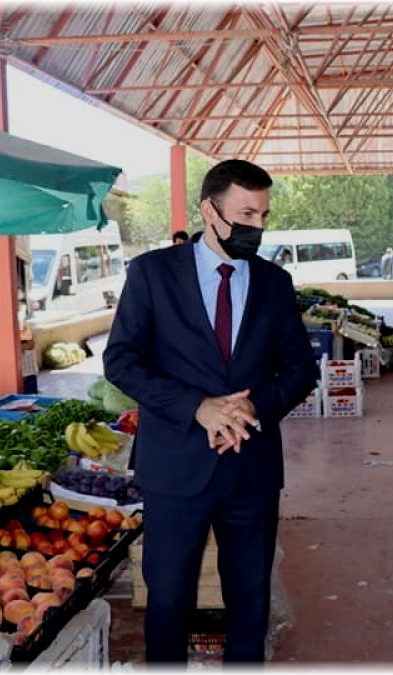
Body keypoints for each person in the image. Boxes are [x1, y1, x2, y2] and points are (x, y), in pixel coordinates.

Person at [104, 159, 320, 664]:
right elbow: (121, 360)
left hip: (252, 469)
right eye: (247, 214)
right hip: (176, 469)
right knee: (169, 603)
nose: (258, 228)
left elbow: (300, 370)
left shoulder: (274, 282)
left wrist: (252, 408)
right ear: (209, 210)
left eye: (264, 215)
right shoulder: (152, 274)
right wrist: (196, 408)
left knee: (249, 605)